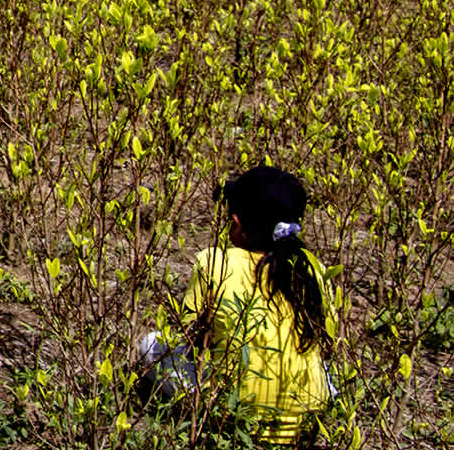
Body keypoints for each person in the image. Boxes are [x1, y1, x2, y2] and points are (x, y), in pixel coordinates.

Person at [139, 165, 338, 446]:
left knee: (151, 345)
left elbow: (189, 337)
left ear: (238, 223)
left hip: (237, 417)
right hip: (305, 419)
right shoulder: (312, 268)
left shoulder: (215, 262)